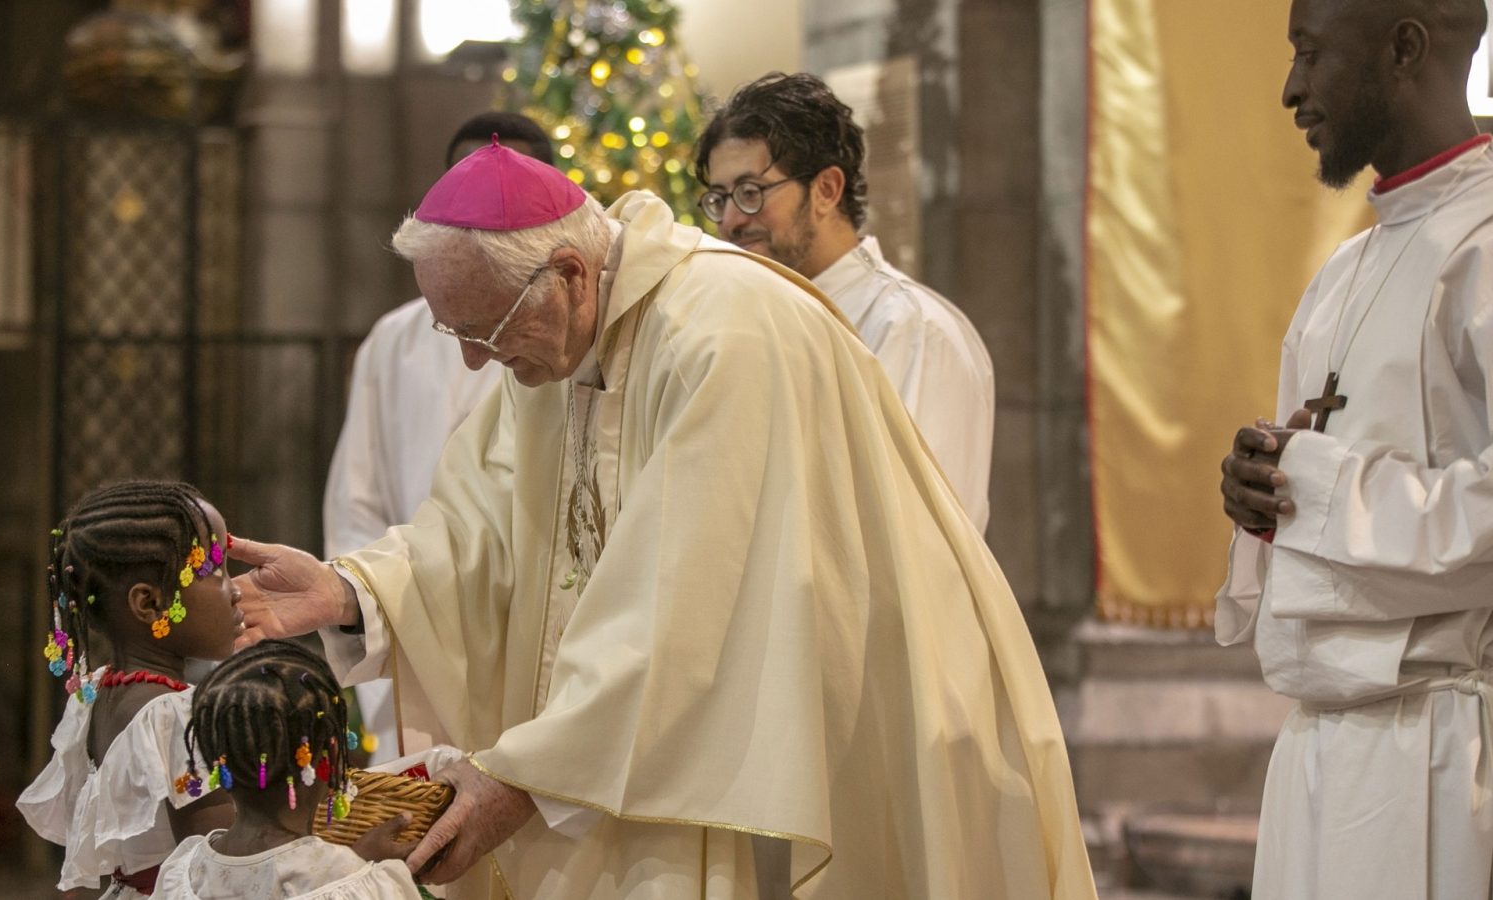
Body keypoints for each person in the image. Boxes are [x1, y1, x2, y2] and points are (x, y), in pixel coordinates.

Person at [232, 142, 1095, 897]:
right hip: (632, 755)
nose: (472, 362)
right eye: (451, 332)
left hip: (824, 735)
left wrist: (525, 778)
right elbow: (475, 531)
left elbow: (687, 605)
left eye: (485, 331)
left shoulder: (725, 333)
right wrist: (350, 591)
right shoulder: (555, 352)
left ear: (569, 275)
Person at [1216, 1, 1493, 897]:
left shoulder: (1485, 246)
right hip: (1314, 752)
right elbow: (1307, 481)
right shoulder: (1342, 273)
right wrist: (1259, 496)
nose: (1292, 89)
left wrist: (1318, 490)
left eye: (1311, 53)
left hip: (1445, 753)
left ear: (1404, 47)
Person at [323, 111, 554, 762]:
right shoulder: (394, 340)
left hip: (519, 634)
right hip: (409, 627)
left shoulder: (561, 337)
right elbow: (356, 501)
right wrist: (376, 622)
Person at [694, 71, 996, 531]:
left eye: (750, 192)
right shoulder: (758, 324)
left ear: (826, 190)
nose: (731, 220)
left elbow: (908, 533)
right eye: (719, 198)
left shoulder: (910, 329)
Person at [18, 481, 243, 897]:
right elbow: (221, 867)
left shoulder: (99, 694)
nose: (236, 590)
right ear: (149, 604)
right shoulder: (175, 715)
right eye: (215, 570)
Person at [152, 639, 420, 899]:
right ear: (333, 755)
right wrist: (360, 870)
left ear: (215, 763)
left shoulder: (183, 873)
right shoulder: (364, 887)